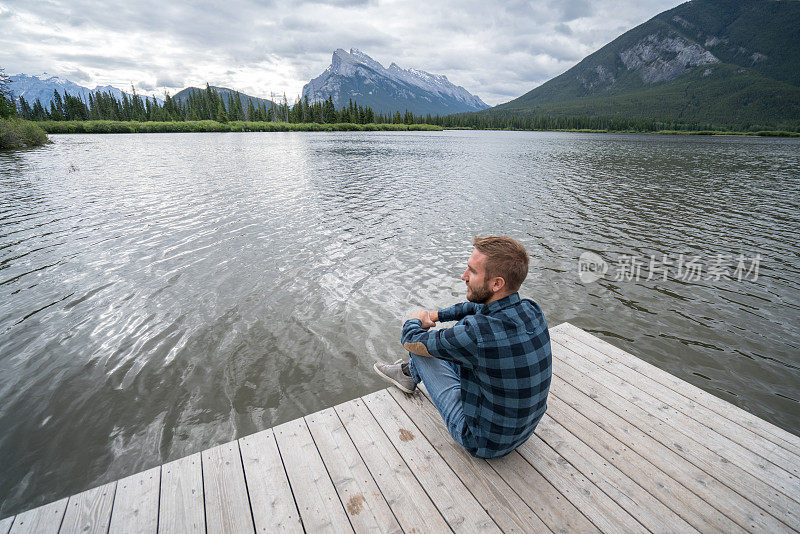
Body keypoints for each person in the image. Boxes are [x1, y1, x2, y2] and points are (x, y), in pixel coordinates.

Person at [374, 236, 551, 458]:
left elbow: (411, 340)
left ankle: (408, 373)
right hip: (524, 430)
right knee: (456, 341)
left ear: (496, 283)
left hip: (482, 441)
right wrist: (436, 315)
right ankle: (407, 373)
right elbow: (475, 307)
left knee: (422, 350)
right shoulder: (531, 309)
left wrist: (417, 319)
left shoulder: (477, 333)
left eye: (472, 271)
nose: (463, 276)